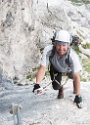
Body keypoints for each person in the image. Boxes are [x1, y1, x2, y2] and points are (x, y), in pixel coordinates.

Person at [33, 30, 83, 108]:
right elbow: (42, 68)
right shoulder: (48, 50)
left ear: (68, 45)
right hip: (56, 68)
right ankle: (60, 88)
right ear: (55, 44)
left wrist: (78, 96)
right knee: (56, 87)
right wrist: (37, 84)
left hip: (69, 69)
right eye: (59, 44)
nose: (61, 48)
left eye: (64, 45)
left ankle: (75, 87)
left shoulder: (73, 56)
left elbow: (77, 76)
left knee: (73, 77)